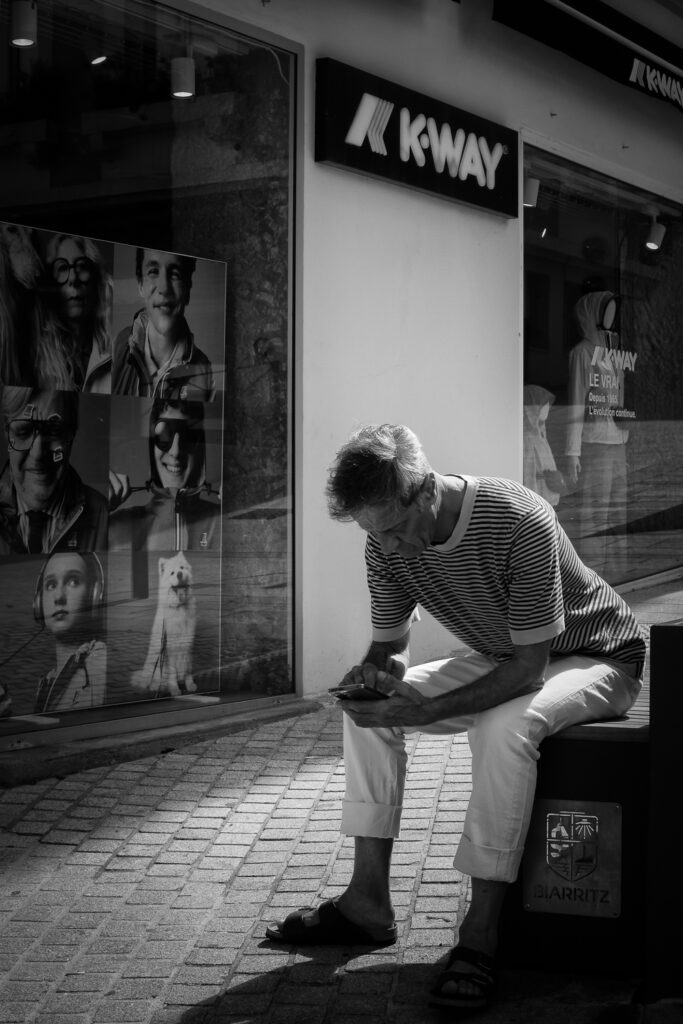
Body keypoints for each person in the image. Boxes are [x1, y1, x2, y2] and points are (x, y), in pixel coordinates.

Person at [266, 423, 645, 1011]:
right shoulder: (383, 542)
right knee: (366, 716)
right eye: (372, 533)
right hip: (502, 654)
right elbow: (389, 643)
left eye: (392, 529)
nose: (385, 546)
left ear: (428, 494)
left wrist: (429, 710)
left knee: (504, 727)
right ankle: (367, 903)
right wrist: (374, 677)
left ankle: (480, 934)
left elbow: (527, 670)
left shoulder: (519, 518)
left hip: (597, 655)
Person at [563, 291, 632, 575]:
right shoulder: (582, 353)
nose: (611, 319)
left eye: (614, 312)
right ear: (593, 314)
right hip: (595, 445)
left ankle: (618, 574)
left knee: (618, 511)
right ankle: (591, 579)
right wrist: (572, 452)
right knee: (595, 515)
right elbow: (577, 403)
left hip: (617, 444)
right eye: (607, 312)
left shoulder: (614, 354)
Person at [0, 386, 108, 554]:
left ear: (71, 437)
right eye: (23, 432)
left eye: (54, 431)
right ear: (7, 434)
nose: (37, 454)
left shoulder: (105, 517)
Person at [108, 395, 220, 550]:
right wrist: (94, 516)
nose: (175, 451)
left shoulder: (223, 522)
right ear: (150, 446)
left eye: (188, 436)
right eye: (165, 436)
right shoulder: (114, 529)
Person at [112, 247, 214, 401]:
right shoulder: (115, 351)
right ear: (140, 285)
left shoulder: (205, 373)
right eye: (153, 271)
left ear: (187, 290)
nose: (164, 288)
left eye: (175, 274)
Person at [33, 551, 107, 714]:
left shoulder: (97, 664)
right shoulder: (50, 679)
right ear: (39, 603)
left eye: (73, 581)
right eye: (51, 585)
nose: (59, 596)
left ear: (93, 596)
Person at [45, 233, 112, 394]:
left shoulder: (116, 349)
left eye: (82, 267)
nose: (73, 278)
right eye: (62, 268)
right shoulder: (37, 358)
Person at [522, 384, 566, 507]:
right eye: (543, 404)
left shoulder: (541, 434)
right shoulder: (525, 440)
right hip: (536, 501)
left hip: (548, 496)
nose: (547, 407)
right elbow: (528, 475)